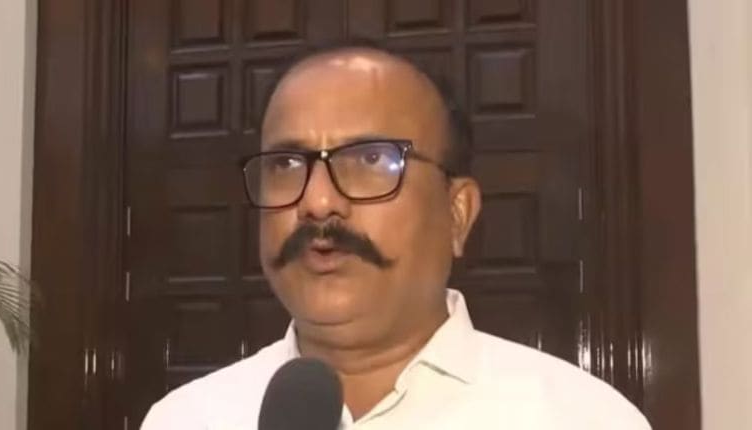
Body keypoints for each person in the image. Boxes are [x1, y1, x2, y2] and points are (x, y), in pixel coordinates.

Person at [141, 46, 651, 430]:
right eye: (287, 164)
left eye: (371, 159)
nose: (317, 201)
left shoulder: (580, 418)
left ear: (458, 213)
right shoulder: (186, 419)